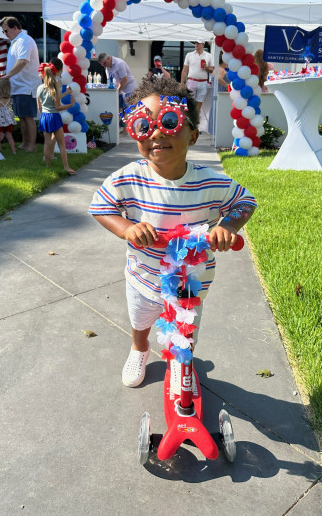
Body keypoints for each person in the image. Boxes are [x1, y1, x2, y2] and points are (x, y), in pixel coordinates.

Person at [88, 77, 256, 388]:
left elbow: (245, 202)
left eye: (169, 122)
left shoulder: (212, 183)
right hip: (144, 276)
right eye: (143, 125)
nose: (155, 133)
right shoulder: (128, 179)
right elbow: (101, 207)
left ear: (193, 134)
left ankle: (182, 362)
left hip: (190, 281)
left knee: (187, 327)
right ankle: (139, 347)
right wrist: (127, 228)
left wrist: (227, 227)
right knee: (140, 321)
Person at [0, 17, 40, 152]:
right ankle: (24, 143)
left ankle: (31, 145)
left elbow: (22, 61)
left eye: (6, 30)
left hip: (26, 86)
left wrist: (8, 75)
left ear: (15, 27)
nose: (5, 33)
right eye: (3, 31)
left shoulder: (24, 40)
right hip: (18, 86)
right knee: (22, 117)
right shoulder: (16, 41)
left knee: (28, 117)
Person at [36, 62, 77, 175]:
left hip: (44, 116)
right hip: (54, 117)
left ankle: (48, 167)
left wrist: (65, 93)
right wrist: (70, 105)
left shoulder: (39, 88)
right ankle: (66, 167)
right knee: (61, 144)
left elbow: (39, 106)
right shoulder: (54, 89)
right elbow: (57, 106)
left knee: (47, 143)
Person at [180, 40, 214, 113]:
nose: (196, 44)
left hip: (203, 82)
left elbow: (212, 69)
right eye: (195, 43)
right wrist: (182, 83)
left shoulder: (208, 56)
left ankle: (195, 117)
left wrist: (206, 68)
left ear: (203, 45)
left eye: (198, 43)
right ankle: (192, 116)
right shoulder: (189, 55)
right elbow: (185, 70)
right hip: (191, 81)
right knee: (190, 101)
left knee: (200, 101)